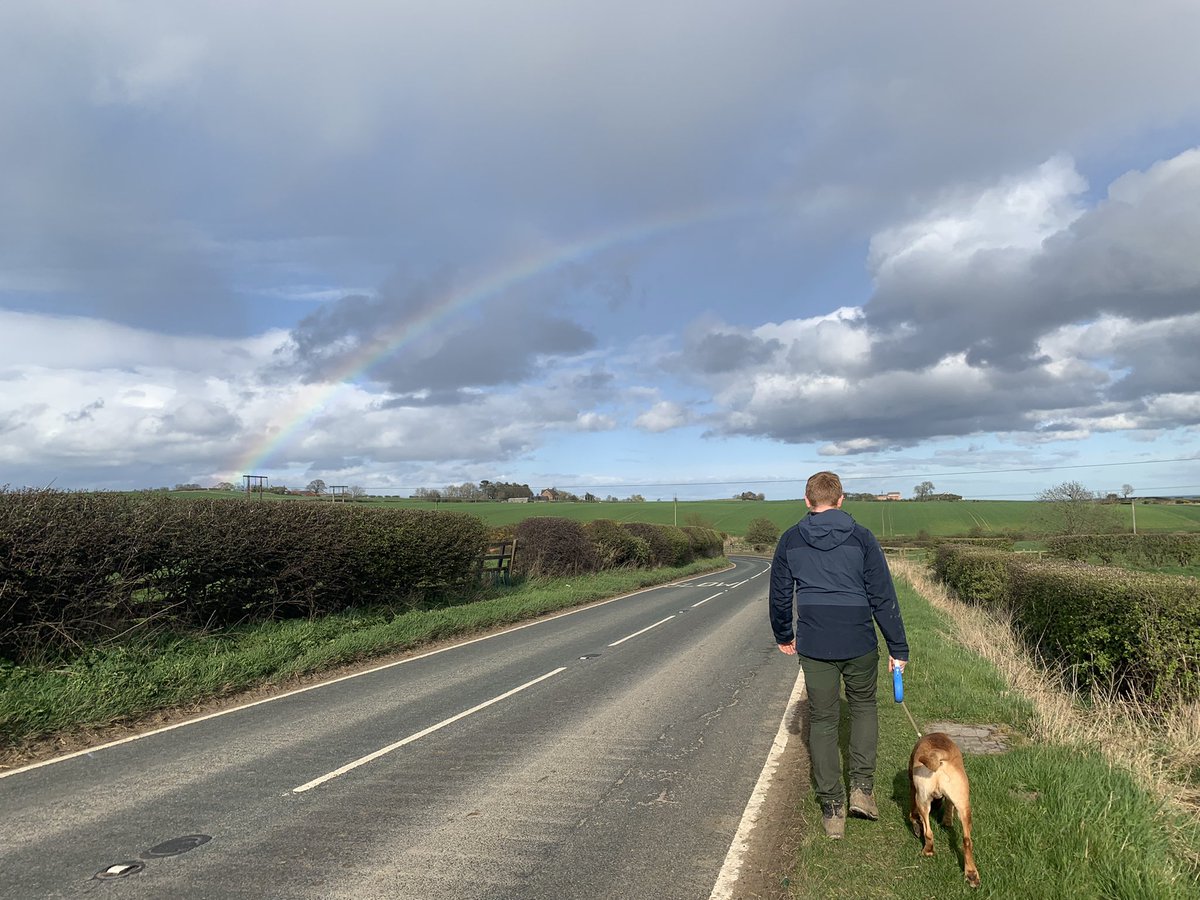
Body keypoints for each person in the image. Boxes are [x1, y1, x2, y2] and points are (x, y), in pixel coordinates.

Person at [769, 471, 909, 839]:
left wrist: (784, 633)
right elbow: (883, 596)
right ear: (841, 499)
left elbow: (780, 595)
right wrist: (898, 648)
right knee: (863, 707)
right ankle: (862, 790)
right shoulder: (863, 538)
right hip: (859, 639)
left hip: (815, 643)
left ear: (807, 500)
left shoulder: (790, 540)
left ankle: (833, 808)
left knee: (823, 719)